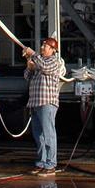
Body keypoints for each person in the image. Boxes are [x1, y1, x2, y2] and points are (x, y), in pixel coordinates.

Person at [22, 36, 61, 176]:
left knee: (48, 133)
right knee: (38, 134)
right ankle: (41, 162)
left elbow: (44, 67)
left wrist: (32, 54)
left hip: (47, 102)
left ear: (52, 50)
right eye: (43, 45)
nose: (43, 48)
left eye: (45, 46)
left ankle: (51, 164)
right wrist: (29, 64)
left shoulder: (53, 62)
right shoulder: (39, 62)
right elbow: (27, 76)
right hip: (35, 102)